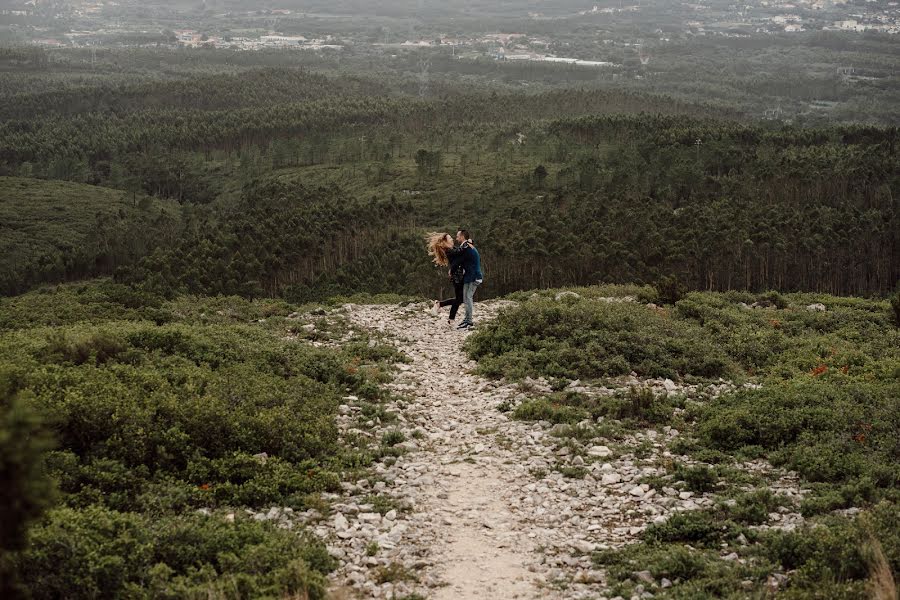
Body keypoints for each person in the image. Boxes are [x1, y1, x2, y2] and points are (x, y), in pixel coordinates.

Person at [426, 233, 465, 326]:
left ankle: (448, 315)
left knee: (459, 299)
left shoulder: (452, 249)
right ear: (445, 242)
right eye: (450, 238)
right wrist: (467, 244)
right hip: (457, 277)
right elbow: (460, 252)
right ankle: (443, 309)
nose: (452, 239)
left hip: (458, 276)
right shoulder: (449, 251)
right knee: (459, 299)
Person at [455, 229, 483, 330]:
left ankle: (469, 321)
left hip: (474, 276)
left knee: (468, 298)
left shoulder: (466, 246)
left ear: (462, 236)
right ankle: (466, 319)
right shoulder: (466, 245)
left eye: (458, 236)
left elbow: (457, 255)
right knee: (465, 298)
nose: (456, 238)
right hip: (469, 276)